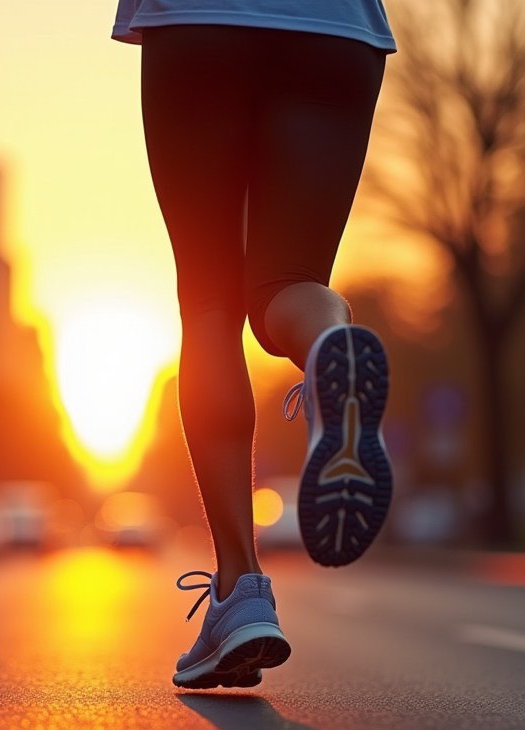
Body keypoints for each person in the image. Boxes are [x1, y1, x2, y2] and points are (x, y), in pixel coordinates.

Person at [113, 0, 396, 689]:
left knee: (210, 298)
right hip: (337, 26)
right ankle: (332, 339)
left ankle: (240, 590)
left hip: (198, 19)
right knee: (291, 281)